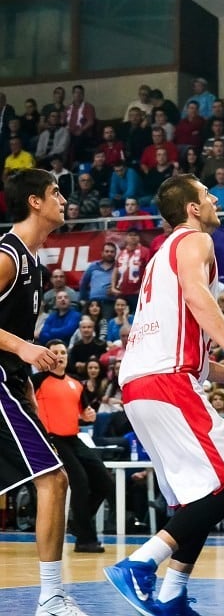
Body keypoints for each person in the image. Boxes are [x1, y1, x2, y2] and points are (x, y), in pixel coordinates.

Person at [103, 174, 224, 615]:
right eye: (207, 195)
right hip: (167, 379)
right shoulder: (195, 240)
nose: (214, 200)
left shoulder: (158, 257)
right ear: (192, 208)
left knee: (198, 500)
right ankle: (141, 564)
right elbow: (195, 296)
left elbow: (183, 341)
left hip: (141, 383)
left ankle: (172, 595)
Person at [0, 169, 91, 615]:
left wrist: (32, 370)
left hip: (12, 382)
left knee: (52, 479)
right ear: (35, 201)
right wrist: (25, 348)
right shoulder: (8, 256)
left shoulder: (35, 262)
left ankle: (52, 596)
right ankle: (52, 598)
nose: (63, 200)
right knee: (53, 479)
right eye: (56, 192)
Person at [34, 339, 113, 554]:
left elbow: (85, 412)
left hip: (74, 438)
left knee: (105, 482)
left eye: (62, 352)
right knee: (79, 482)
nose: (59, 355)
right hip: (52, 439)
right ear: (47, 356)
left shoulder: (76, 383)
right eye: (55, 352)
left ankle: (78, 524)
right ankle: (85, 540)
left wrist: (89, 415)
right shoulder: (36, 381)